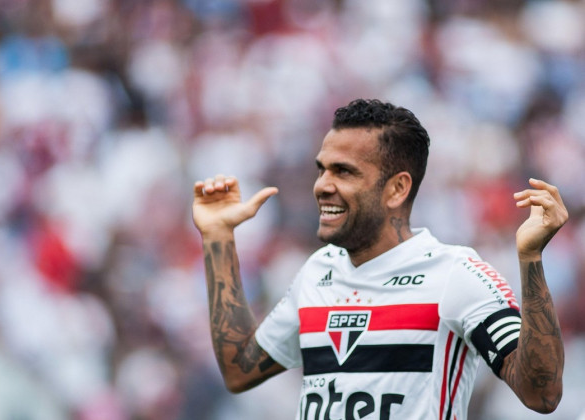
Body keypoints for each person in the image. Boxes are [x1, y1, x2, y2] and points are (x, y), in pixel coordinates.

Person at [191, 99, 566, 419]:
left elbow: (542, 394)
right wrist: (218, 236)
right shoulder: (317, 272)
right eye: (322, 168)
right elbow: (241, 370)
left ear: (397, 188)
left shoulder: (455, 273)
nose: (322, 185)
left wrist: (530, 257)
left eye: (344, 172)